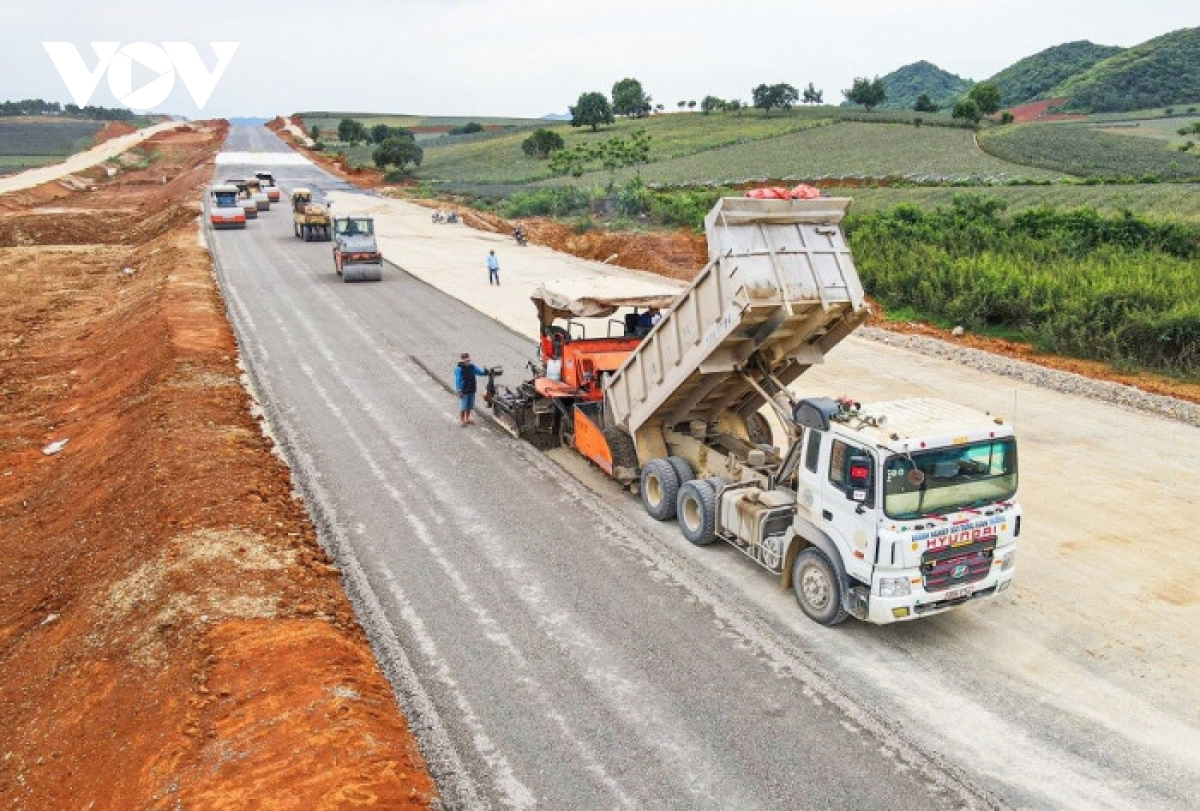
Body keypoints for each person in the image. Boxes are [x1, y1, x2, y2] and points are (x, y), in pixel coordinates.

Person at [455, 352, 488, 425]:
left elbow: (479, 372)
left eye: (468, 360)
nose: (468, 362)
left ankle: (467, 418)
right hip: (464, 390)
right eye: (466, 361)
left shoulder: (472, 366)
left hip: (471, 389)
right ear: (462, 360)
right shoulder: (459, 369)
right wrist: (459, 390)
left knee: (470, 405)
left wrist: (485, 372)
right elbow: (458, 380)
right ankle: (462, 420)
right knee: (463, 406)